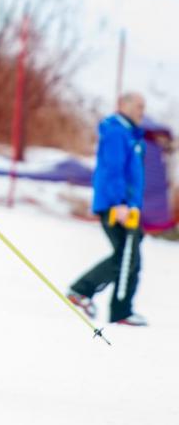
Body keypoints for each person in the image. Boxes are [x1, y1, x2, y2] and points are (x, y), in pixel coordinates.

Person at [67, 92, 148, 326]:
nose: (142, 110)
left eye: (144, 106)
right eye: (138, 105)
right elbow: (113, 170)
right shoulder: (116, 132)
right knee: (127, 257)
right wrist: (118, 203)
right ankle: (112, 307)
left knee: (128, 255)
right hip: (117, 206)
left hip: (128, 206)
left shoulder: (131, 134)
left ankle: (90, 294)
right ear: (123, 105)